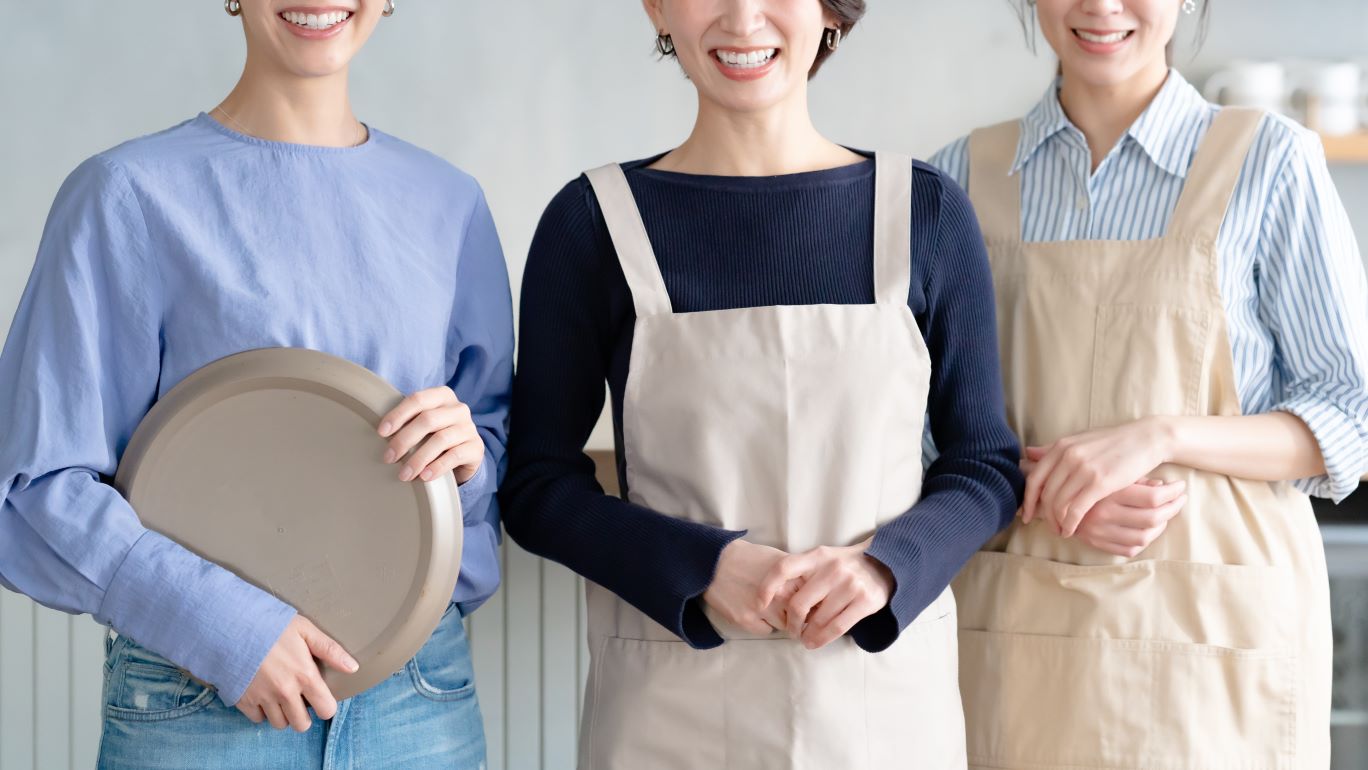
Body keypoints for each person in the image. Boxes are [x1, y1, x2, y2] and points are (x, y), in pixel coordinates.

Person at [500, 0, 1023, 766]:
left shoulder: (926, 213)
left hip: (877, 710)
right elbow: (536, 486)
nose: (744, 19)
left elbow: (985, 465)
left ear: (831, 12)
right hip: (668, 712)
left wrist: (887, 566)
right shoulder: (593, 223)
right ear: (657, 9)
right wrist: (701, 567)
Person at [0, 1, 511, 767]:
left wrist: (465, 464)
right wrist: (221, 628)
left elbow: (492, 456)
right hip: (196, 697)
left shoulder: (451, 204)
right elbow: (34, 483)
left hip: (420, 698)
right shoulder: (124, 195)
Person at [930, 1, 1368, 767]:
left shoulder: (1269, 160)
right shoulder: (957, 179)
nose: (1101, 7)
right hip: (1017, 632)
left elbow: (1350, 416)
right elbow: (923, 432)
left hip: (1214, 645)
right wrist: (1055, 491)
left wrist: (1160, 438)